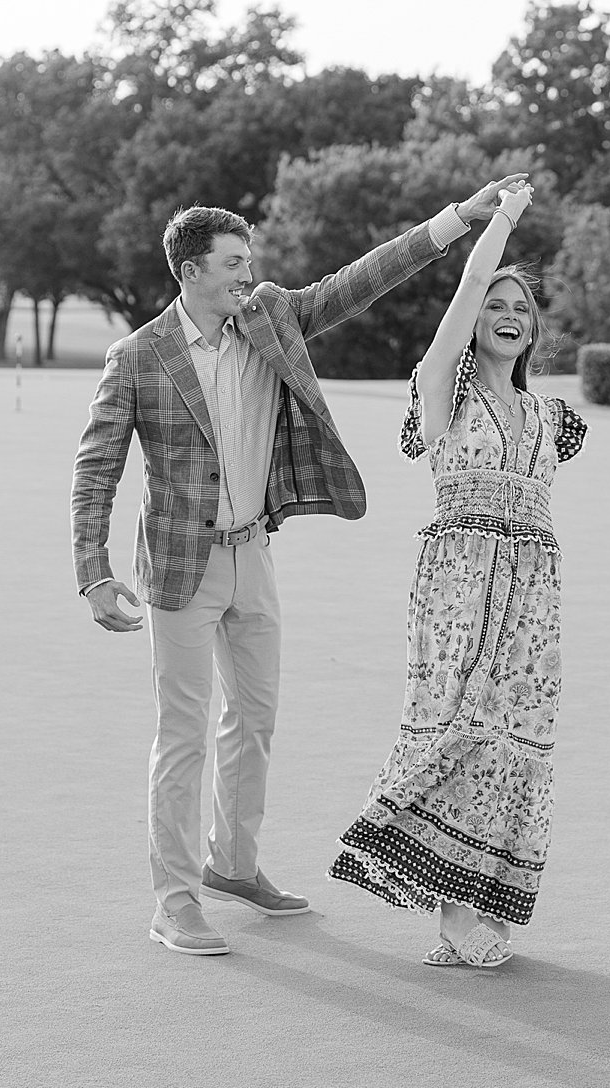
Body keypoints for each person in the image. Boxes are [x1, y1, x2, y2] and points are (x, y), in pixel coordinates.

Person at [71, 176, 525, 957]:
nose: (247, 274)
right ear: (190, 271)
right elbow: (97, 466)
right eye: (233, 263)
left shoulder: (270, 316)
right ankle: (174, 903)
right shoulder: (138, 356)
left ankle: (233, 866)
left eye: (248, 261)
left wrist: (459, 218)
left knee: (253, 721)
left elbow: (361, 280)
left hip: (254, 553)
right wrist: (93, 570)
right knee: (183, 735)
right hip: (180, 569)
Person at [329, 180, 587, 968]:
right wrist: (504, 217)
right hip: (457, 583)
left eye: (521, 309)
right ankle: (451, 914)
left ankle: (477, 899)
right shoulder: (443, 388)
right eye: (494, 305)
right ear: (473, 322)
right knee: (454, 726)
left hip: (533, 595)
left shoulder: (551, 419)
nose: (507, 314)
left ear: (534, 329)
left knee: (513, 739)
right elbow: (472, 279)